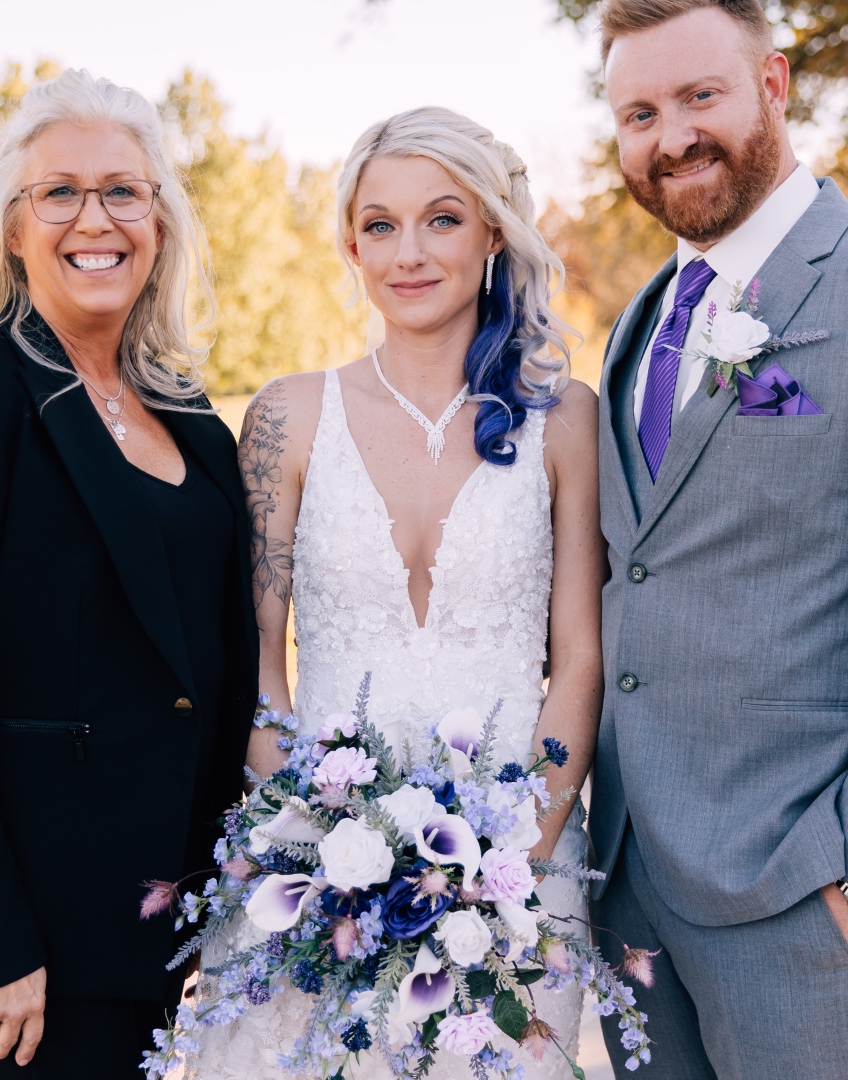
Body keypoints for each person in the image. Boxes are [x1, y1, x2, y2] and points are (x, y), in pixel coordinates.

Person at [583, 2, 848, 1078]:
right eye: (639, 112)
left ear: (773, 84)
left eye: (701, 96)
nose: (671, 135)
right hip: (629, 888)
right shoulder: (639, 320)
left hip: (794, 893)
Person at [190, 107, 607, 1078]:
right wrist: (317, 836)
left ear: (494, 233)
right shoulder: (289, 418)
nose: (408, 252)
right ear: (351, 245)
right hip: (313, 869)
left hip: (515, 866)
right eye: (380, 225)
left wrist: (507, 866)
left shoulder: (565, 420)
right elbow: (255, 653)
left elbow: (578, 656)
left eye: (443, 219)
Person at [0, 70, 258, 1079]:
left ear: (159, 222)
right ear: (13, 226)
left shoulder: (194, 423)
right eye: (61, 193)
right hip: (37, 930)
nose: (98, 219)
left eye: (125, 191)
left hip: (172, 914)